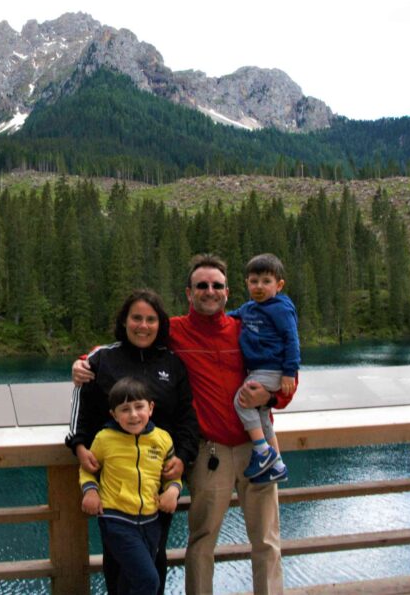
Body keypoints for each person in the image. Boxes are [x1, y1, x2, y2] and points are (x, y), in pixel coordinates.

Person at [74, 254, 295, 594]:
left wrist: (271, 398)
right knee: (202, 540)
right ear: (189, 293)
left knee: (266, 540)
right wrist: (84, 363)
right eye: (201, 286)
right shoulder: (173, 331)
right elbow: (126, 343)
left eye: (217, 285)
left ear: (227, 291)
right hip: (211, 452)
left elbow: (284, 371)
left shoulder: (245, 329)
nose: (210, 291)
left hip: (258, 449)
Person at [67, 289, 200, 595]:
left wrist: (182, 457)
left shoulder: (173, 363)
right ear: (124, 321)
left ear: (160, 323)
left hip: (158, 481)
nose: (143, 325)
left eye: (151, 319)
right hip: (114, 484)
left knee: (156, 556)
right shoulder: (102, 359)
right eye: (136, 318)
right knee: (119, 561)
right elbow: (81, 411)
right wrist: (79, 446)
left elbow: (186, 419)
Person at [79, 377, 183, 595]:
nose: (133, 415)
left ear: (151, 408)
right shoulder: (105, 439)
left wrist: (173, 490)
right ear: (114, 415)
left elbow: (172, 475)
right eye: (125, 409)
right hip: (116, 520)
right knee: (148, 580)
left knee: (129, 581)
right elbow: (88, 468)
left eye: (139, 407)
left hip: (151, 521)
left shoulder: (162, 439)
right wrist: (90, 491)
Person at [228, 253, 299, 485]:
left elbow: (292, 339)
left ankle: (262, 450)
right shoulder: (249, 308)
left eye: (266, 281)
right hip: (260, 370)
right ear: (247, 283)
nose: (259, 286)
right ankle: (277, 464)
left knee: (242, 400)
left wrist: (289, 371)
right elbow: (229, 318)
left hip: (272, 370)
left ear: (279, 285)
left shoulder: (281, 308)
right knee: (260, 413)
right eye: (254, 281)